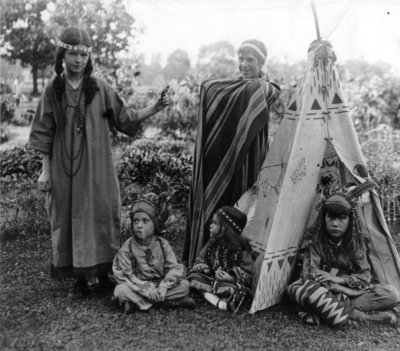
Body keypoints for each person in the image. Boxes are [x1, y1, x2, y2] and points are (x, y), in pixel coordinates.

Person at [28, 27, 169, 294]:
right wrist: (45, 172)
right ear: (63, 55)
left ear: (88, 57)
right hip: (63, 167)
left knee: (104, 210)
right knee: (68, 215)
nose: (78, 60)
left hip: (98, 167)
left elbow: (125, 117)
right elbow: (43, 133)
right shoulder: (53, 90)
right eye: (72, 53)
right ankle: (81, 278)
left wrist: (155, 107)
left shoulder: (100, 88)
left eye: (83, 54)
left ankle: (105, 274)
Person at [183, 39, 280, 266]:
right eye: (241, 59)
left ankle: (240, 263)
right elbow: (210, 88)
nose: (244, 64)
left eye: (250, 60)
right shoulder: (233, 87)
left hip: (251, 159)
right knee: (221, 205)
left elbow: (262, 90)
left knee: (245, 208)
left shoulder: (265, 88)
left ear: (261, 62)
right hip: (224, 162)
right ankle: (210, 258)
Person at [286, 193, 399, 327]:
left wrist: (339, 282)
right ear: (323, 218)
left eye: (342, 218)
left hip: (350, 293)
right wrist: (331, 282)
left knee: (391, 293)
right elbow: (310, 274)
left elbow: (365, 276)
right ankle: (361, 316)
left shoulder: (356, 244)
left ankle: (336, 311)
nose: (335, 224)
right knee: (299, 289)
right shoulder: (316, 243)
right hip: (325, 291)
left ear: (350, 220)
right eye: (330, 217)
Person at [112, 193, 194, 312]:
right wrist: (146, 289)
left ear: (154, 224)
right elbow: (125, 276)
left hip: (160, 284)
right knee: (120, 290)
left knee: (184, 285)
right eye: (136, 221)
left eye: (145, 221)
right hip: (138, 286)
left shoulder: (162, 244)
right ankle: (167, 303)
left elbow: (175, 268)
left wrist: (163, 286)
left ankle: (138, 304)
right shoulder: (127, 247)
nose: (139, 226)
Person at [188, 206, 254, 312]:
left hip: (229, 284)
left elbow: (249, 274)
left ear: (225, 228)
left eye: (214, 223)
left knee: (236, 290)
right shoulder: (212, 243)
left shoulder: (241, 250)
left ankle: (214, 297)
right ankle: (218, 301)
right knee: (193, 277)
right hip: (212, 279)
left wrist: (232, 277)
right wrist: (204, 267)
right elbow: (201, 258)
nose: (210, 225)